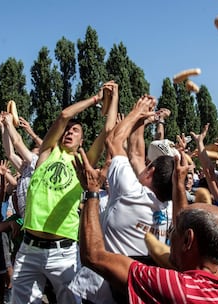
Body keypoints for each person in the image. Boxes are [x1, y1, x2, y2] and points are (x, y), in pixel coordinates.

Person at [73, 134, 218, 303]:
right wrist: (179, 185)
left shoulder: (173, 286)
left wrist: (91, 191)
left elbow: (93, 256)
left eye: (174, 230)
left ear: (188, 241)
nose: (168, 235)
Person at [12, 81, 118, 303]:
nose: (70, 131)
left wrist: (114, 96)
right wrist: (95, 99)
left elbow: (109, 131)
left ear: (82, 139)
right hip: (28, 248)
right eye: (68, 130)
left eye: (76, 130)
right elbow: (63, 115)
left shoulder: (84, 162)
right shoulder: (46, 153)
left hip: (64, 253)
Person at [70, 96, 175, 303]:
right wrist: (141, 122)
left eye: (147, 166)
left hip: (102, 289)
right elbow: (136, 154)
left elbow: (113, 141)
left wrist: (136, 111)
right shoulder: (170, 207)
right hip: (142, 288)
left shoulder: (130, 192)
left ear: (150, 172)